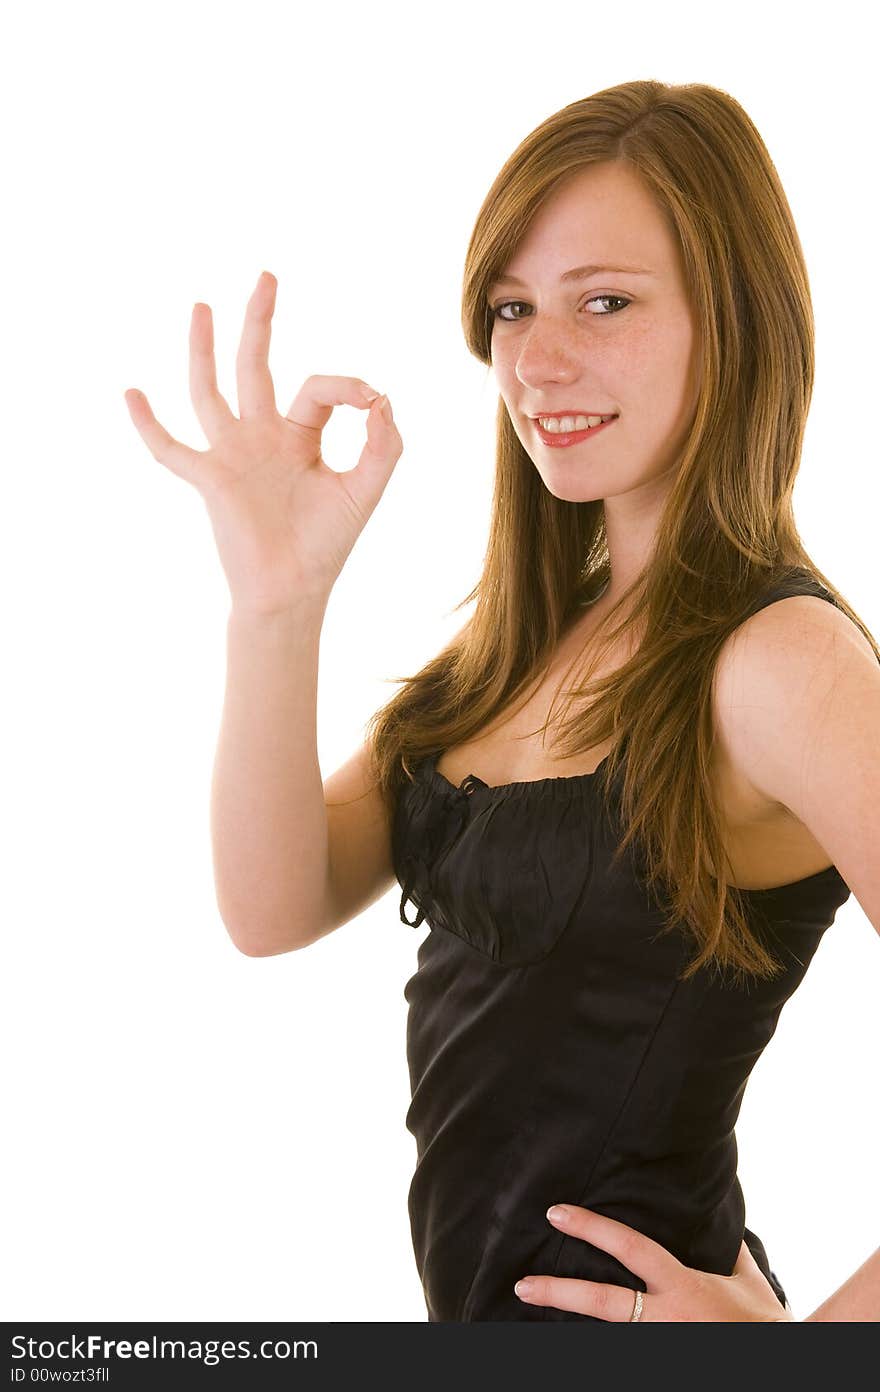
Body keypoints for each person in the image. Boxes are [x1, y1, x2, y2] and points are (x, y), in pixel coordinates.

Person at [124, 79, 880, 1323]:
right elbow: (270, 906)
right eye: (511, 308)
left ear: (735, 321)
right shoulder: (517, 650)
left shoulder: (778, 661)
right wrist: (275, 604)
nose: (537, 360)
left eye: (605, 302)